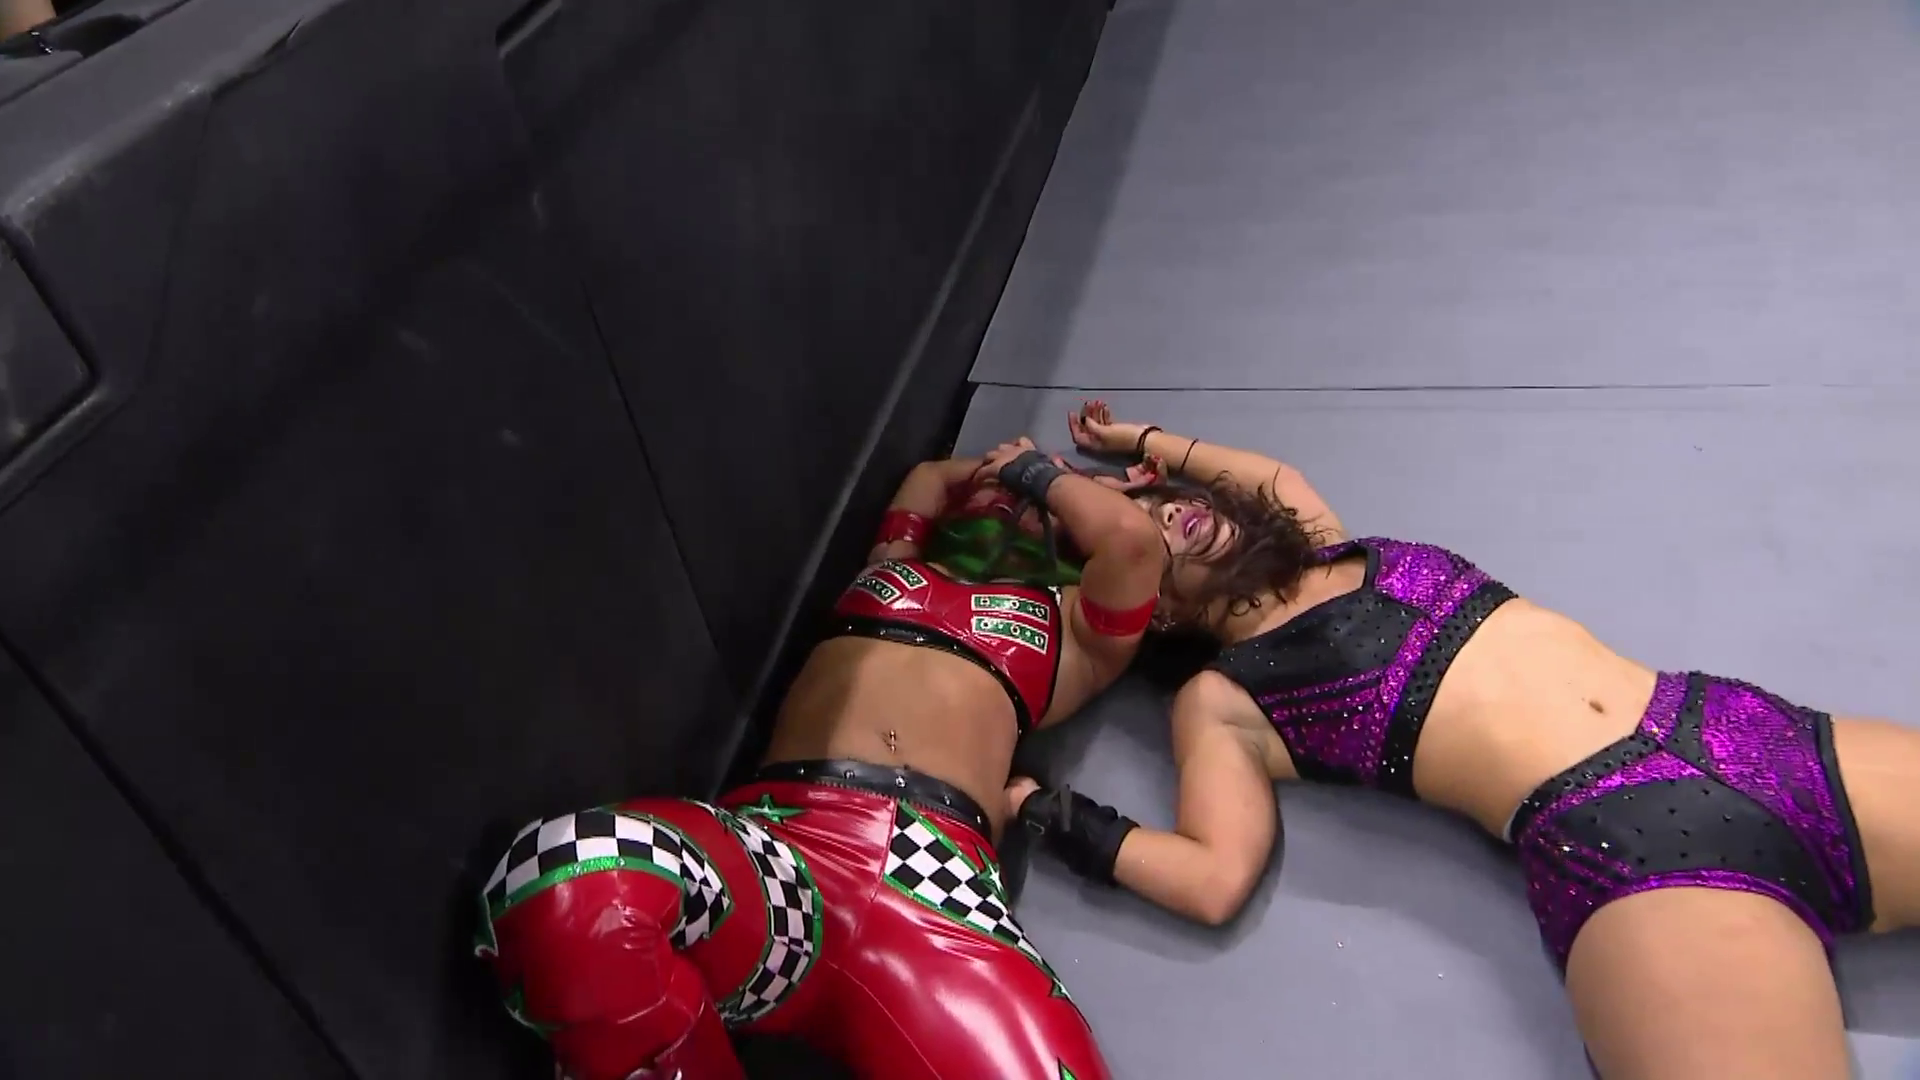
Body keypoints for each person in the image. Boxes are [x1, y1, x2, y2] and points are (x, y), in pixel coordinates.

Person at [1009, 402, 1920, 1080]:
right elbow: (1212, 877)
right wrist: (1050, 811)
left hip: (1747, 735)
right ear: (1148, 608)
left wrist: (1139, 443)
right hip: (1637, 856)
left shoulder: (1324, 542)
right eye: (1138, 539)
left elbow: (1263, 473)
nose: (1166, 516)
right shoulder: (1225, 700)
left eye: (1155, 502)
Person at [474, 437, 1166, 1080]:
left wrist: (1041, 474)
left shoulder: (1074, 631)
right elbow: (928, 478)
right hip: (782, 851)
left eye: (1028, 494)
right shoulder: (892, 565)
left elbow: (1133, 544)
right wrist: (995, 469)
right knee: (570, 883)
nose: (1006, 494)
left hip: (936, 882)